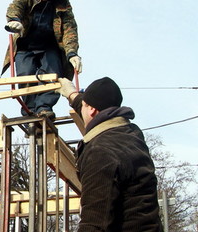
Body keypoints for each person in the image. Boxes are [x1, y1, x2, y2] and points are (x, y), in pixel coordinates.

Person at [56, 77, 163, 231]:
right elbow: (94, 111)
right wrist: (71, 93)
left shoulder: (100, 153)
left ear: (92, 109)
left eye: (84, 106)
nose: (82, 109)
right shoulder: (130, 134)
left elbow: (95, 223)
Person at [2, 0, 82, 119]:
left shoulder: (62, 6)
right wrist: (14, 20)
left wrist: (72, 53)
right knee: (25, 74)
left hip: (49, 46)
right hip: (25, 46)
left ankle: (44, 107)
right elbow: (15, 7)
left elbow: (70, 29)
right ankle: (29, 111)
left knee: (51, 73)